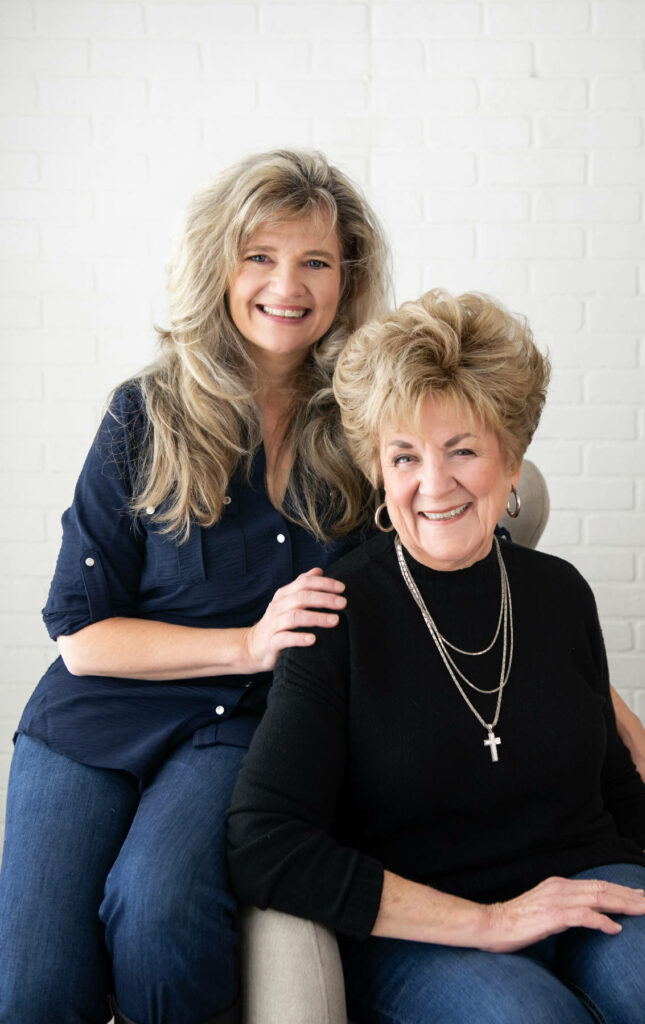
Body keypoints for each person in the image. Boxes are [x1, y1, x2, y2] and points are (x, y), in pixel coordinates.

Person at [0, 150, 390, 1024]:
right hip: (95, 714)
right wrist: (248, 642)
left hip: (247, 727)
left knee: (158, 914)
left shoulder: (369, 426)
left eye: (315, 261)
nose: (285, 284)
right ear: (220, 264)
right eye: (259, 255)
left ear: (345, 280)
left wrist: (605, 718)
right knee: (32, 986)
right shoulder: (142, 415)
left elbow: (470, 546)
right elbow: (82, 634)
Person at [228, 290, 645, 1024]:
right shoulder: (334, 613)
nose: (432, 484)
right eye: (404, 455)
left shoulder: (559, 592)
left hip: (584, 882)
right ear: (378, 471)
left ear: (512, 463)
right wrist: (494, 922)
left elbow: (614, 787)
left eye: (462, 450)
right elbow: (264, 843)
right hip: (427, 925)